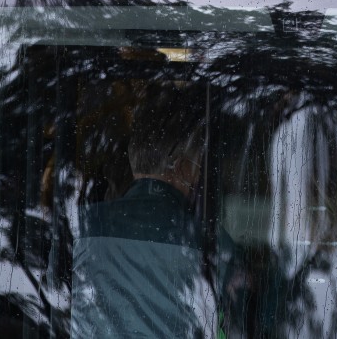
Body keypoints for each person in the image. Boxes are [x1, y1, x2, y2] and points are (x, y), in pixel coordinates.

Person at [70, 92, 235, 338]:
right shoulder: (211, 239)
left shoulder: (81, 225)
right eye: (198, 165)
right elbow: (228, 323)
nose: (199, 177)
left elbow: (59, 296)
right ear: (182, 168)